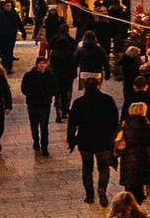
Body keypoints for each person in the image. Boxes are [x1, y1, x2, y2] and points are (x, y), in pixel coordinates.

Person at [68, 74, 121, 205]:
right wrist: (112, 138)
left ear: (85, 87)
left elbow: (72, 124)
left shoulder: (79, 103)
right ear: (98, 85)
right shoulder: (107, 100)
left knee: (87, 169)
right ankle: (102, 189)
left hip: (85, 141)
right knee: (103, 168)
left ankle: (90, 195)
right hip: (103, 141)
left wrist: (71, 140)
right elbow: (115, 121)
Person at [22, 53, 57, 156]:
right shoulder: (29, 75)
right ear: (37, 64)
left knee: (44, 125)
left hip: (45, 104)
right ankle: (36, 140)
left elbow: (54, 88)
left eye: (44, 63)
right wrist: (31, 95)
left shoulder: (50, 75)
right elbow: (24, 89)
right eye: (41, 63)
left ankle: (44, 146)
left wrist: (48, 95)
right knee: (34, 124)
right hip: (32, 104)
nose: (42, 65)